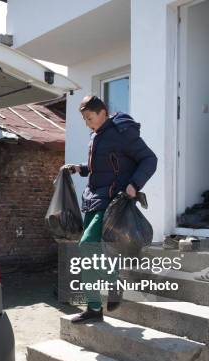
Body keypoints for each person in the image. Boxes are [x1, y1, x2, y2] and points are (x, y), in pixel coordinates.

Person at [62, 95, 157, 323]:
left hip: (112, 200)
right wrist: (80, 168)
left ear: (103, 111)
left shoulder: (122, 132)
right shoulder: (96, 135)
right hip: (93, 199)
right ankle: (94, 308)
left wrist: (135, 184)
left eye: (90, 117)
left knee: (86, 245)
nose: (87, 123)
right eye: (85, 119)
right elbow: (101, 168)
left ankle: (114, 281)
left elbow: (149, 159)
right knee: (88, 253)